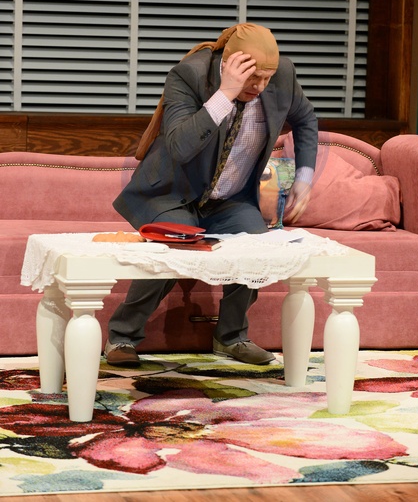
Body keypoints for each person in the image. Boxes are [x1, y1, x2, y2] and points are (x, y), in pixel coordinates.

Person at [105, 23, 318, 366]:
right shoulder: (189, 75)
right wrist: (226, 94)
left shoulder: (282, 76)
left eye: (266, 78)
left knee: (256, 248)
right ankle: (122, 337)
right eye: (252, 78)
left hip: (231, 198)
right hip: (172, 193)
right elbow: (179, 147)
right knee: (170, 250)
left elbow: (306, 119)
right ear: (230, 63)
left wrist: (304, 177)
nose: (260, 87)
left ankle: (231, 337)